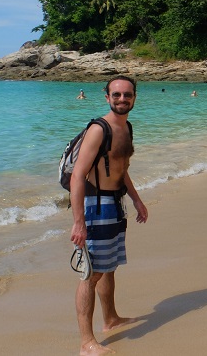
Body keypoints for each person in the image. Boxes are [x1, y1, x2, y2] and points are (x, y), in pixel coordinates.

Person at [69, 75, 148, 355]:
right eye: (116, 95)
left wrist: (137, 200)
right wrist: (79, 221)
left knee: (109, 267)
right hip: (96, 206)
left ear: (134, 97)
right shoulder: (98, 129)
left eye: (127, 95)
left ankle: (111, 319)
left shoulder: (126, 127)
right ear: (107, 97)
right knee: (91, 274)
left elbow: (121, 167)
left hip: (115, 203)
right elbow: (78, 176)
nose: (122, 99)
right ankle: (86, 343)